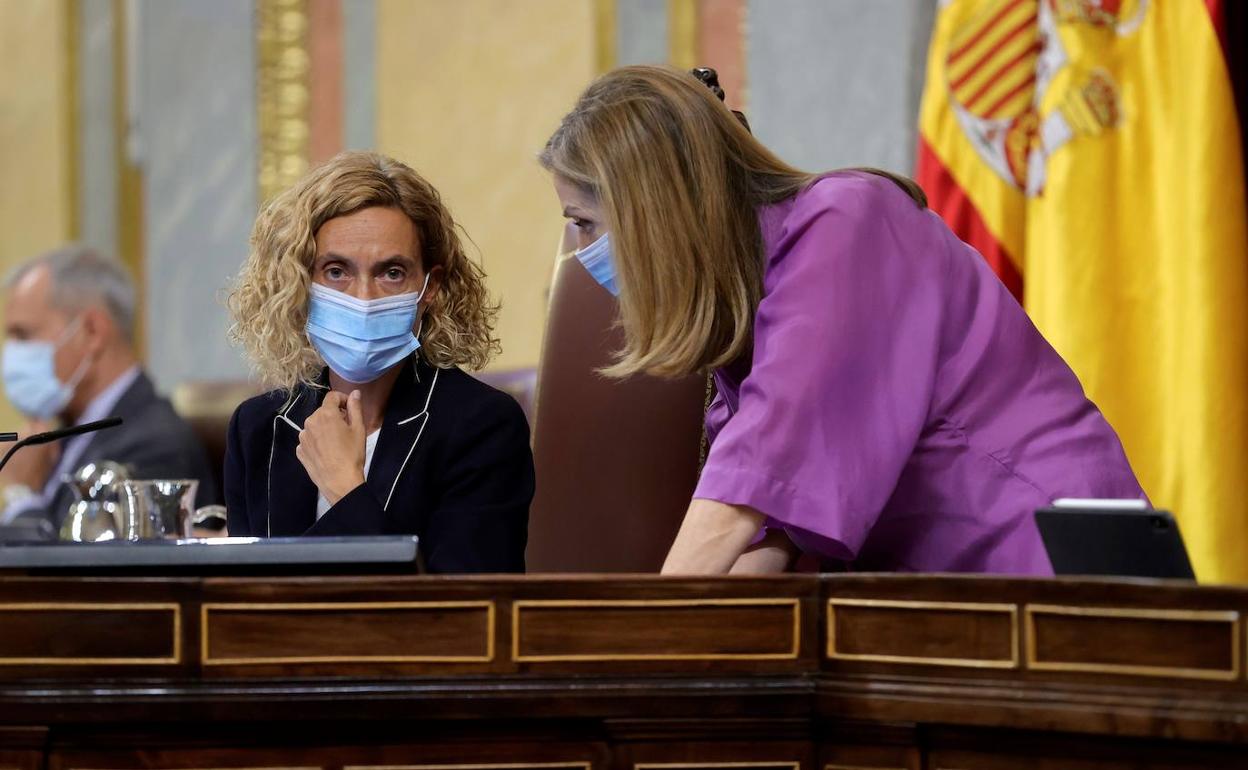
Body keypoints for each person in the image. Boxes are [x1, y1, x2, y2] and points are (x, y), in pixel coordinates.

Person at [541, 65, 1145, 576]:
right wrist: (683, 634)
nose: (581, 249)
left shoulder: (847, 221)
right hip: (954, 585)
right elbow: (767, 533)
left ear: (650, 207)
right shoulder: (746, 302)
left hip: (1054, 553)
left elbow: (756, 470)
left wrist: (645, 632)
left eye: (584, 222)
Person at [224, 151, 533, 573]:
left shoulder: (481, 426)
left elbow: (462, 606)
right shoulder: (257, 428)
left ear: (429, 288)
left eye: (391, 273)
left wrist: (345, 487)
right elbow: (244, 597)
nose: (363, 298)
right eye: (336, 271)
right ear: (301, 282)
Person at [0, 245, 218, 538]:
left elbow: (83, 564)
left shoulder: (155, 445)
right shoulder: (64, 436)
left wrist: (22, 494)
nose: (11, 353)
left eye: (23, 335)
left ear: (92, 332)